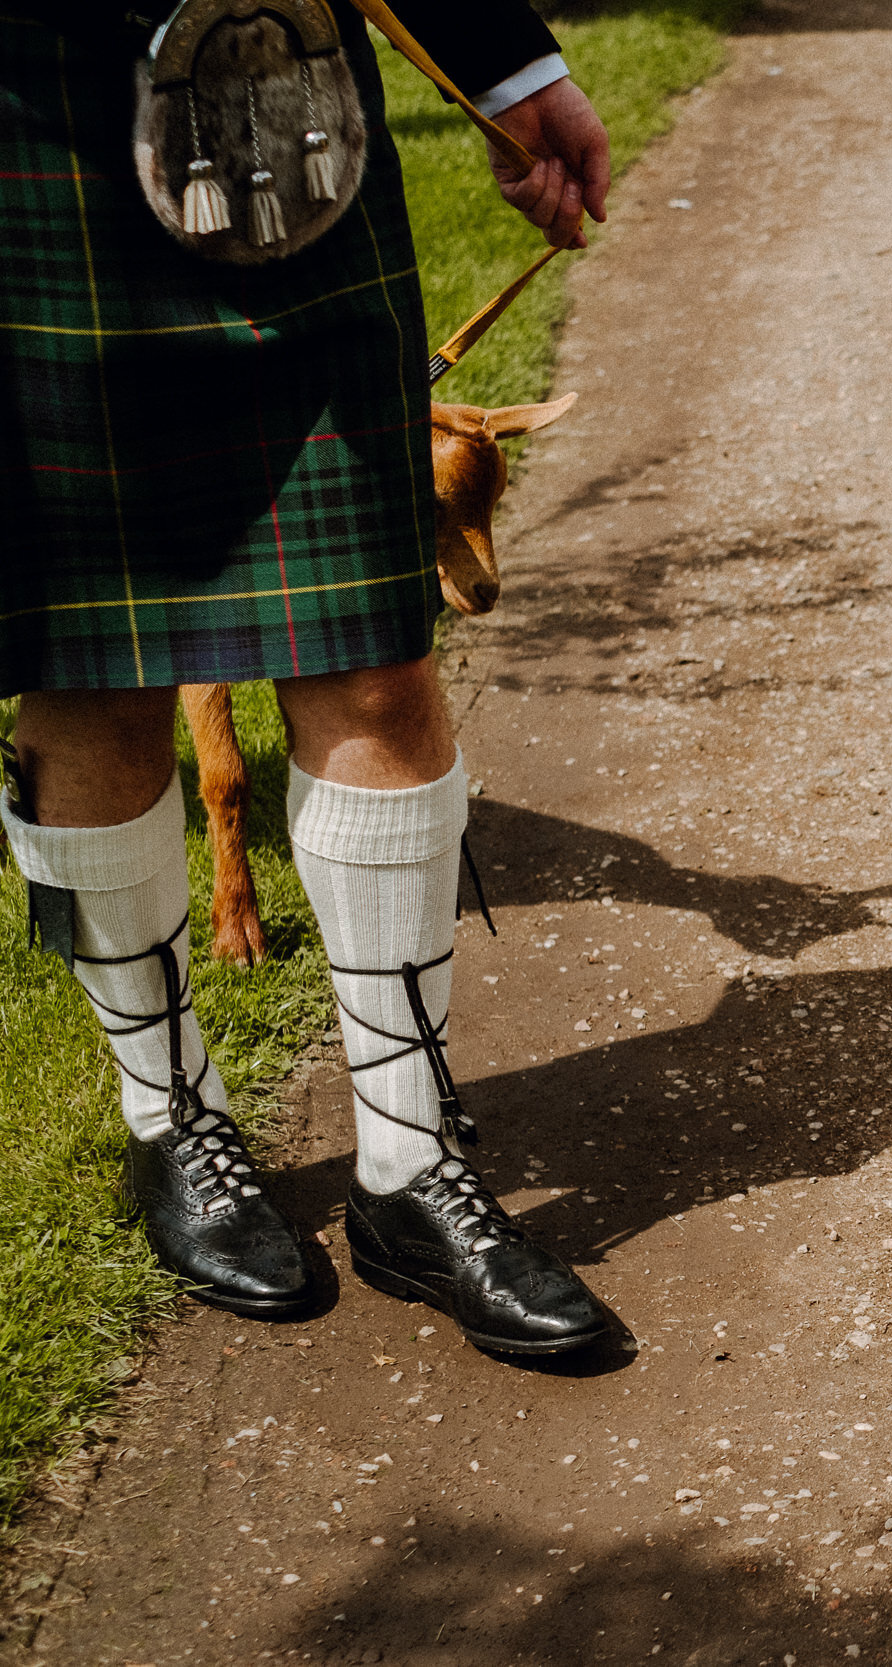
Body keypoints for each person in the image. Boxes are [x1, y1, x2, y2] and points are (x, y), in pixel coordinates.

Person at [2, 0, 617, 1356]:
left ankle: (407, 1166)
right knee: (92, 664)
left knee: (379, 663)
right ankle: (169, 1120)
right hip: (25, 121)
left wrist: (506, 63)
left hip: (286, 111)